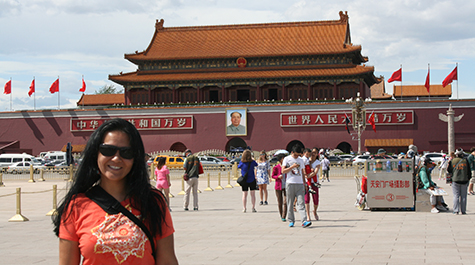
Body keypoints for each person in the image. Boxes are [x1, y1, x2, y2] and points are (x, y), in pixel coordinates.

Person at [53, 118, 178, 265]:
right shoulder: (76, 206)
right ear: (96, 153)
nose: (116, 158)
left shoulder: (153, 202)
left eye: (126, 152)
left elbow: (167, 260)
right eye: (108, 150)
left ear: (135, 158)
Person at [282, 145, 311, 228]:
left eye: (298, 155)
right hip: (290, 183)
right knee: (290, 203)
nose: (296, 156)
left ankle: (304, 221)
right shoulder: (287, 159)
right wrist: (292, 167)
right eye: (295, 155)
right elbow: (283, 170)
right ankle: (291, 220)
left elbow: (302, 171)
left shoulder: (301, 160)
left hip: (299, 184)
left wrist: (305, 183)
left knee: (301, 203)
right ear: (292, 152)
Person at [447, 149, 471, 214]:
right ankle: (463, 211)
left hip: (455, 180)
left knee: (456, 196)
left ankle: (456, 210)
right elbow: (469, 171)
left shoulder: (452, 161)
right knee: (464, 196)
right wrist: (468, 178)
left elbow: (449, 170)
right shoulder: (466, 161)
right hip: (464, 180)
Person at [305, 148, 321, 221]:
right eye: (312, 152)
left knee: (315, 199)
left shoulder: (318, 162)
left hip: (314, 182)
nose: (313, 153)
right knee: (306, 199)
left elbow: (315, 172)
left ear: (317, 154)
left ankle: (315, 211)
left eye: (315, 152)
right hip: (306, 182)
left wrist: (308, 175)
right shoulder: (306, 160)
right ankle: (308, 215)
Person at [271, 154, 287, 221]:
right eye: (283, 158)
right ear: (280, 159)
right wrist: (278, 176)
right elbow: (272, 176)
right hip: (278, 186)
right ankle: (281, 214)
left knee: (286, 202)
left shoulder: (287, 167)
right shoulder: (276, 167)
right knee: (280, 202)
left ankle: (284, 215)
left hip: (286, 185)